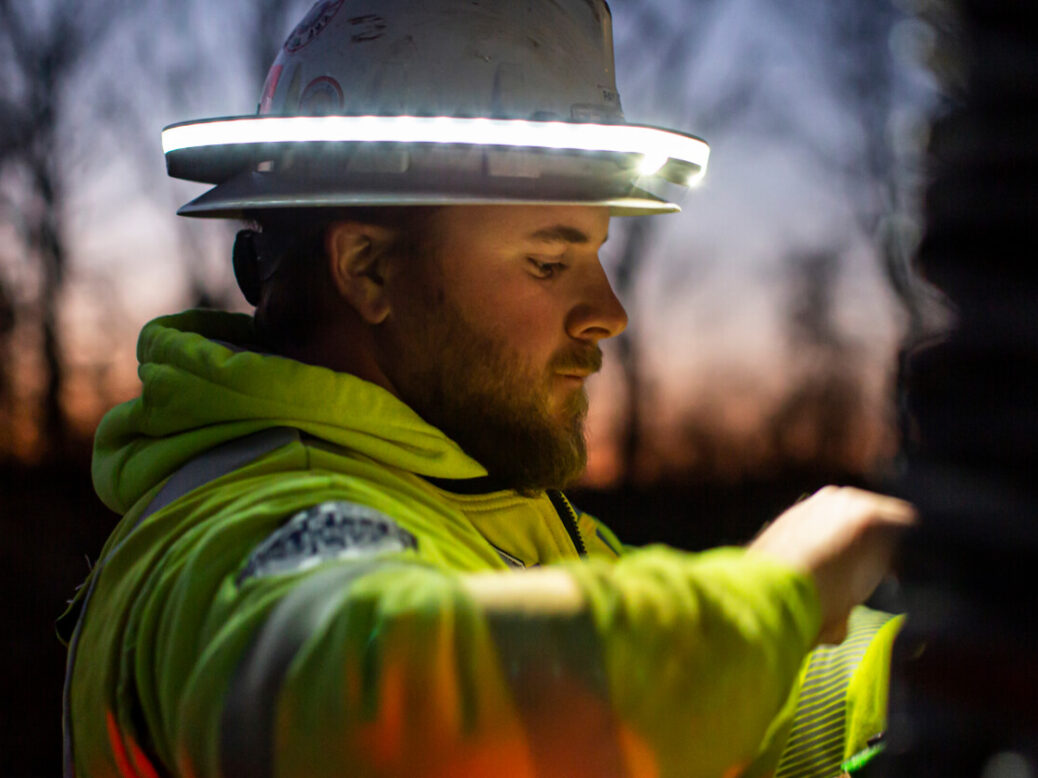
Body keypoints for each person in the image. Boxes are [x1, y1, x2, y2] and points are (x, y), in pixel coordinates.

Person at [60, 2, 915, 777]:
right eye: (549, 262)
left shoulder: (494, 508)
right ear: (367, 269)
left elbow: (718, 710)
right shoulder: (232, 539)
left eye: (596, 256)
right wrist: (777, 594)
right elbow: (399, 707)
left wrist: (923, 667)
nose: (608, 314)